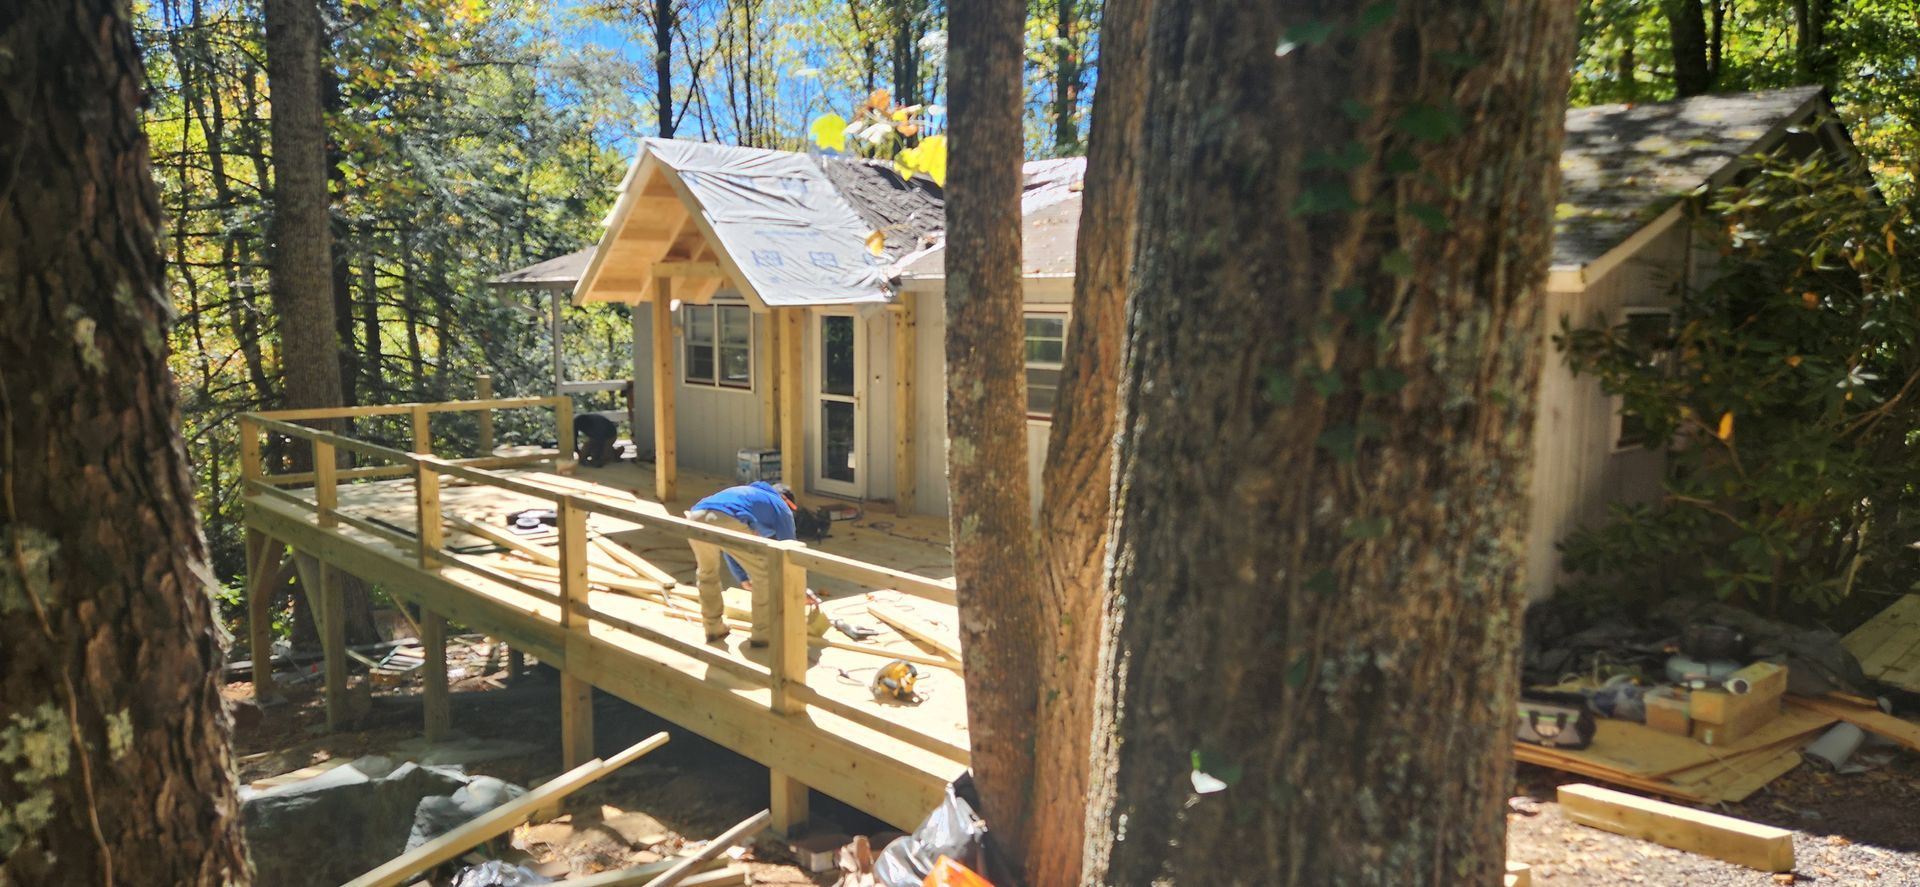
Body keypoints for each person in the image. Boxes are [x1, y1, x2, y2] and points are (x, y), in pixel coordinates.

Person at [685, 481, 797, 646]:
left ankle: (713, 628)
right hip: (730, 519)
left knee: (706, 573)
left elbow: (730, 546)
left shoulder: (748, 495)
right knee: (764, 575)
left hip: (695, 517)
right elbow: (790, 549)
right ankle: (763, 635)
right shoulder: (780, 505)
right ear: (785, 499)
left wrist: (742, 577)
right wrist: (798, 587)